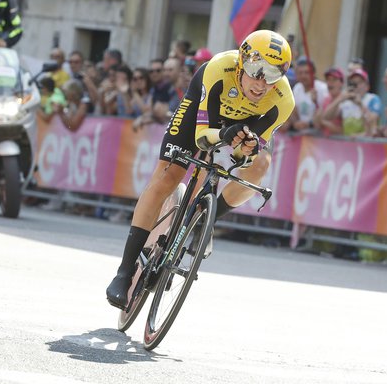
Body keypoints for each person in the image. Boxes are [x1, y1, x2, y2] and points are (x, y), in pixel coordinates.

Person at [106, 30, 294, 310]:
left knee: (261, 165)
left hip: (243, 125)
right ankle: (123, 272)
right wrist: (225, 135)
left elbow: (247, 154)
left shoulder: (283, 100)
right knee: (168, 176)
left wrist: (245, 151)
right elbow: (202, 138)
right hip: (203, 117)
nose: (261, 83)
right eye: (257, 70)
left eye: (272, 74)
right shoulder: (220, 68)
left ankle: (208, 218)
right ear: (243, 61)